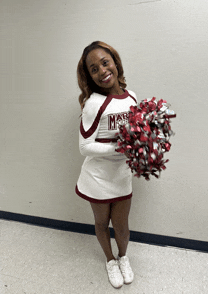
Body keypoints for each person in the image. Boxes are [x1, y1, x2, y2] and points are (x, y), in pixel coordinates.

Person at [75, 41, 137, 289]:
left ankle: (123, 257)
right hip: (98, 178)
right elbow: (84, 146)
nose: (102, 71)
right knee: (102, 223)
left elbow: (138, 133)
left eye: (104, 62)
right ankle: (110, 260)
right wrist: (117, 149)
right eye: (93, 69)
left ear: (115, 62)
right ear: (89, 76)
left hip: (121, 176)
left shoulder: (132, 96)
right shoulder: (93, 104)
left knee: (122, 225)